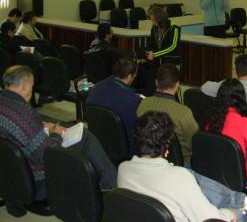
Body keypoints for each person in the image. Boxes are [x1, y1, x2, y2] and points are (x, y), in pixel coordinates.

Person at [118, 111, 247, 222]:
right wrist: (229, 215)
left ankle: (242, 200)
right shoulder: (178, 178)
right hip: (211, 218)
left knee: (189, 173)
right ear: (166, 147)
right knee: (237, 214)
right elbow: (211, 220)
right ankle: (246, 206)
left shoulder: (123, 169)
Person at [0, 66, 116, 209]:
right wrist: (56, 133)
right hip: (37, 179)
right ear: (24, 86)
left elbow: (15, 128)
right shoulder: (25, 113)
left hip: (9, 173)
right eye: (31, 87)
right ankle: (111, 185)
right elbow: (46, 154)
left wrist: (41, 124)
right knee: (85, 136)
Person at [206, 79, 247, 182]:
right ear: (242, 99)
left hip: (214, 175)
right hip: (240, 180)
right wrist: (245, 154)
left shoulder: (211, 120)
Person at [137, 63, 199, 162]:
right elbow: (195, 142)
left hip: (148, 158)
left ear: (156, 83)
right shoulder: (184, 112)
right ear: (177, 85)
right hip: (180, 163)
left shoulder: (142, 104)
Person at [86, 57, 142, 153]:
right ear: (129, 77)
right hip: (125, 149)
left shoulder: (96, 88)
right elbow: (134, 132)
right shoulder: (133, 100)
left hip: (97, 142)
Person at [143, 6, 181, 95]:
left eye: (153, 20)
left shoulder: (174, 27)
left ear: (159, 18)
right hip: (156, 62)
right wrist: (146, 54)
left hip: (170, 62)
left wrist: (155, 54)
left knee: (170, 88)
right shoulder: (154, 28)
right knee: (149, 86)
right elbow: (152, 45)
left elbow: (173, 46)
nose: (152, 22)